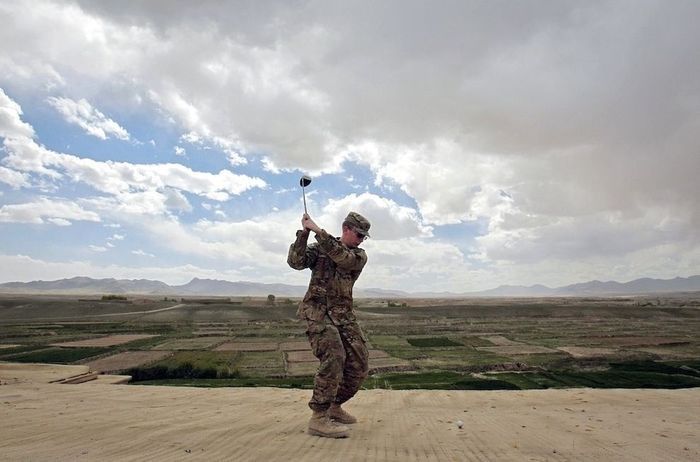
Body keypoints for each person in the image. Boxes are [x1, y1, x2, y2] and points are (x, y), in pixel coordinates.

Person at [287, 211, 371, 438]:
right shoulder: (322, 247)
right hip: (318, 313)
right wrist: (304, 234)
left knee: (360, 365)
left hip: (343, 315)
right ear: (346, 229)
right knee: (334, 356)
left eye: (364, 236)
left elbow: (342, 257)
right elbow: (296, 262)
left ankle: (334, 406)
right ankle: (319, 418)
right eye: (359, 234)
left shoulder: (358, 256)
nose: (362, 239)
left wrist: (318, 231)